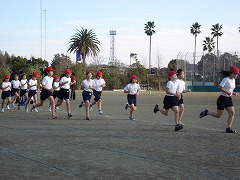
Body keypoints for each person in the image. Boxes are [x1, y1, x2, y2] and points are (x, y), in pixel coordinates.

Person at [199, 66, 239, 133]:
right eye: (235, 74)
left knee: (232, 113)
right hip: (222, 99)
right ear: (231, 73)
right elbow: (219, 88)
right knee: (218, 115)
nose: (236, 75)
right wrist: (227, 92)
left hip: (228, 99)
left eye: (237, 74)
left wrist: (232, 93)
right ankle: (207, 112)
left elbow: (229, 89)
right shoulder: (226, 79)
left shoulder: (233, 80)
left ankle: (228, 128)